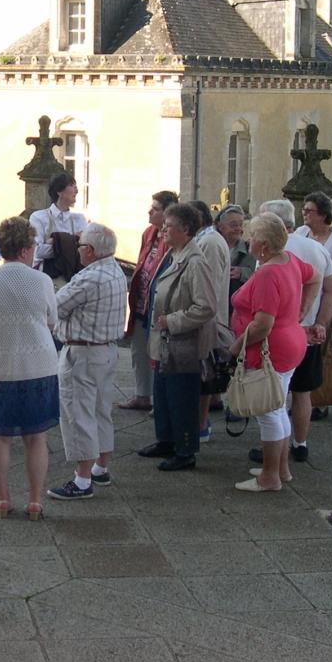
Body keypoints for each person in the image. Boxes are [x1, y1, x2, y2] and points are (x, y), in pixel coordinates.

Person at [0, 216, 60, 520]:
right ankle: (34, 501)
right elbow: (51, 322)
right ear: (25, 249)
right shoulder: (42, 281)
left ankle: (2, 498)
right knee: (36, 438)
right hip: (37, 366)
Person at [228, 212, 320, 492]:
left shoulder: (268, 272)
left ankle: (269, 477)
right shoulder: (289, 260)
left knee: (269, 411)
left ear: (264, 246)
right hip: (291, 343)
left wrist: (236, 347)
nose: (248, 240)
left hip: (272, 350)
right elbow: (314, 278)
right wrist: (301, 310)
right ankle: (281, 469)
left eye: (252, 236)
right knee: (278, 407)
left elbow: (262, 325)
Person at [253, 199, 332, 464]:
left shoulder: (269, 253)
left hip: (278, 335)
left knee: (273, 398)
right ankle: (300, 444)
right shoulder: (316, 248)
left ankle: (274, 453)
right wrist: (320, 322)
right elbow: (331, 290)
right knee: (302, 392)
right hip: (308, 334)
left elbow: (264, 298)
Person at [47, 223, 127, 499]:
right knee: (101, 411)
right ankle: (99, 467)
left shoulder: (88, 278)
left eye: (81, 246)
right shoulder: (114, 270)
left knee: (78, 414)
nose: (78, 251)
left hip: (82, 353)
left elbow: (54, 307)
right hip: (106, 350)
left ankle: (81, 481)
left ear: (90, 251)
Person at [136, 203, 216, 471]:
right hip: (166, 342)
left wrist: (171, 321)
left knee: (181, 396)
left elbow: (205, 306)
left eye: (169, 226)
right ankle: (166, 440)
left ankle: (185, 449)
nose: (164, 230)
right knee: (163, 393)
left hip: (183, 345)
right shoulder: (173, 254)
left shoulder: (195, 262)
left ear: (185, 230)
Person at [295, 191, 332, 421]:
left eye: (309, 211)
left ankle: (320, 400)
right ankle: (302, 399)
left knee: (320, 352)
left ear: (323, 215)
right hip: (303, 303)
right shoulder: (301, 233)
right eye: (303, 210)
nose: (304, 214)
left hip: (325, 303)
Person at [118, 191, 177, 411]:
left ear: (168, 212)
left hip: (158, 304)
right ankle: (142, 395)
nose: (149, 211)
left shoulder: (171, 238)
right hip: (141, 302)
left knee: (157, 352)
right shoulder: (148, 233)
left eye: (155, 208)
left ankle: (158, 400)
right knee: (138, 350)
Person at [188, 200, 233, 440]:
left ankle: (201, 426)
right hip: (204, 320)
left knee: (205, 376)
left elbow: (211, 287)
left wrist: (201, 319)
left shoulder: (211, 243)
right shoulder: (205, 240)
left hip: (208, 322)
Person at [29, 172, 87, 287]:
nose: (76, 190)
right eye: (72, 186)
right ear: (59, 191)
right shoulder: (39, 217)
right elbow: (37, 251)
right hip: (46, 281)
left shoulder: (79, 219)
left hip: (73, 281)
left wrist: (56, 241)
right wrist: (73, 240)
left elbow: (84, 251)